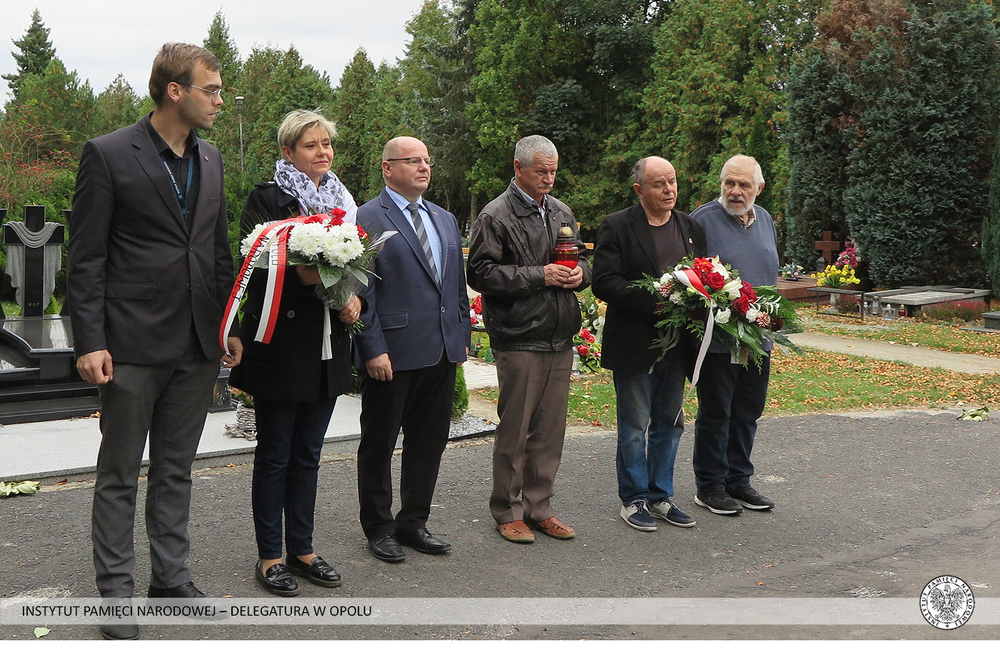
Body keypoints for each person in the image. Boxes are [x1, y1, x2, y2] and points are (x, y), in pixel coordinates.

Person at [68, 43, 240, 640]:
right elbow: (85, 258)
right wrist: (88, 339)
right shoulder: (110, 154)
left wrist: (227, 328)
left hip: (196, 344)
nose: (220, 99)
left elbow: (218, 252)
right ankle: (115, 596)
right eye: (211, 90)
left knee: (176, 469)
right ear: (175, 91)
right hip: (131, 346)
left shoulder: (212, 158)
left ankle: (171, 580)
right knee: (118, 473)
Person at [228, 109, 361, 596]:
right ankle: (270, 556)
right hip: (281, 346)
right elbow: (260, 267)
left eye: (327, 144)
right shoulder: (267, 199)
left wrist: (353, 294)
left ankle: (303, 550)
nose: (323, 152)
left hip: (327, 346)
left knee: (309, 454)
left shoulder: (343, 203)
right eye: (311, 145)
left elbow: (358, 259)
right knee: (277, 454)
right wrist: (325, 283)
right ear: (288, 151)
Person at [467, 135, 591, 544]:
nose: (549, 179)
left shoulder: (560, 211)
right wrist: (540, 276)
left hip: (558, 336)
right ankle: (507, 510)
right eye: (542, 171)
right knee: (516, 431)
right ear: (518, 168)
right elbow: (480, 273)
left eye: (554, 171)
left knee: (550, 431)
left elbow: (582, 258)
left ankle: (541, 508)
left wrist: (580, 276)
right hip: (519, 336)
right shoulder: (495, 214)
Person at [353, 136, 470, 563]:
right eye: (412, 161)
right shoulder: (365, 217)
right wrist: (372, 348)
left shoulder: (444, 218)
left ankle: (413, 522)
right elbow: (362, 291)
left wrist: (461, 338)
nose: (423, 167)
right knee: (380, 442)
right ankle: (379, 527)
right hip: (392, 353)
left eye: (427, 160)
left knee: (428, 440)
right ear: (387, 168)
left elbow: (454, 287)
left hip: (441, 350)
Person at [592, 156, 706, 532]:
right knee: (634, 425)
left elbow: (704, 276)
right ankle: (634, 499)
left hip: (678, 346)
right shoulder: (617, 226)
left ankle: (661, 497)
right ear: (640, 190)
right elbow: (604, 282)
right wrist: (657, 298)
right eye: (659, 184)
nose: (669, 189)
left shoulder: (690, 227)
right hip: (635, 344)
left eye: (672, 181)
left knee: (670, 424)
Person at [689, 154, 779, 515]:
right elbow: (688, 276)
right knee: (716, 412)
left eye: (744, 185)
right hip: (718, 339)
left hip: (757, 338)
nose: (736, 191)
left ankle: (738, 481)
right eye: (730, 183)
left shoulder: (766, 219)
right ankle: (709, 486)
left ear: (759, 187)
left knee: (747, 411)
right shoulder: (702, 220)